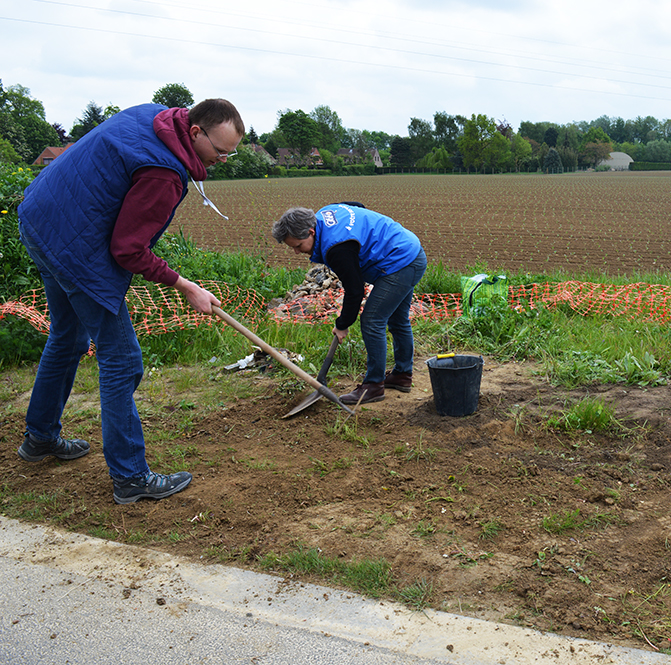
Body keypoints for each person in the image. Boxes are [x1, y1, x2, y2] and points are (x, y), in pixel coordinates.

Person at [17, 98, 244, 504]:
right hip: (75, 247)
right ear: (195, 132)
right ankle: (131, 477)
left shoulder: (152, 114)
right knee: (122, 359)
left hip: (41, 218)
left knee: (67, 338)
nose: (225, 159)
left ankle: (39, 438)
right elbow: (127, 250)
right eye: (221, 150)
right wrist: (185, 285)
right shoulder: (164, 173)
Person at [271, 204, 427, 405]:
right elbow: (356, 206)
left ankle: (374, 385)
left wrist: (342, 323)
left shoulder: (336, 248)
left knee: (372, 320)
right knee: (397, 319)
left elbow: (355, 290)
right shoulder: (325, 213)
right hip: (407, 248)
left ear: (311, 231)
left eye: (298, 246)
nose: (295, 252)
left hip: (401, 261)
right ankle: (402, 376)